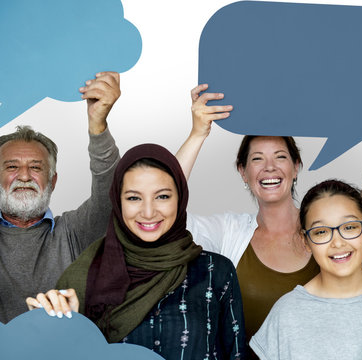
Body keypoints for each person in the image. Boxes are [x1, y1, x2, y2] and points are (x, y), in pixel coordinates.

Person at [175, 84, 362, 347]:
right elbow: (166, 211)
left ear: (296, 167)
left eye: (280, 157)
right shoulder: (229, 232)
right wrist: (197, 134)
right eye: (257, 159)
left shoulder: (323, 228)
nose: (269, 167)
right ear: (243, 172)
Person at [26, 144, 246, 359]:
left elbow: (236, 354)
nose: (148, 212)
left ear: (180, 198)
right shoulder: (84, 277)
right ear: (117, 202)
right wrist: (60, 326)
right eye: (133, 198)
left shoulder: (214, 271)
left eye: (162, 196)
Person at [250, 180, 362, 359]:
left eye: (349, 227)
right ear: (306, 241)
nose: (337, 242)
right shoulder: (286, 314)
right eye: (321, 232)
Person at [0, 72, 121, 323]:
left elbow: (110, 191)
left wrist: (97, 124)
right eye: (12, 167)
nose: (24, 176)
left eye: (36, 167)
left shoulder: (73, 232)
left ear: (53, 181)